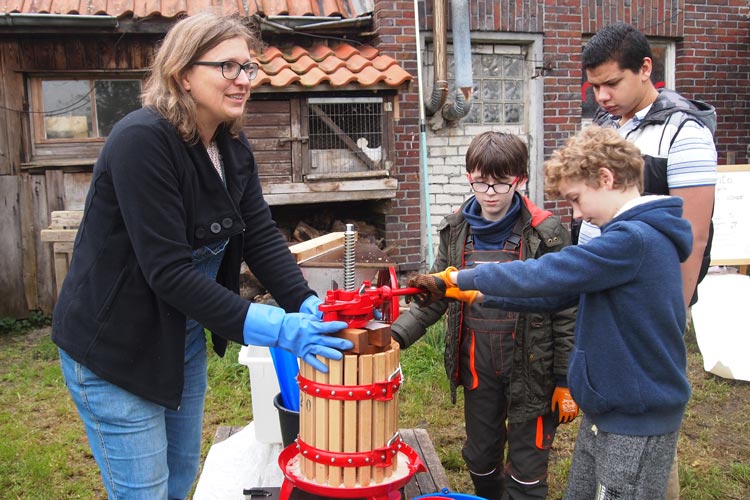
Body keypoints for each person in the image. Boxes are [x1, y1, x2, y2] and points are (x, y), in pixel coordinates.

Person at [51, 13, 352, 500]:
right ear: (182, 74)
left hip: (180, 336)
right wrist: (277, 329)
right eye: (227, 67)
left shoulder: (231, 145)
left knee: (179, 478)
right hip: (114, 347)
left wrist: (303, 302)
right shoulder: (141, 141)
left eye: (249, 68)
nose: (242, 81)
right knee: (144, 493)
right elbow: (169, 272)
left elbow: (259, 235)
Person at [412, 125, 693, 499]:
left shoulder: (632, 239)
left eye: (576, 199)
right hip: (610, 406)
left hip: (636, 413)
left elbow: (547, 274)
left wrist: (460, 277)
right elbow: (558, 297)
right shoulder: (626, 238)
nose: (576, 213)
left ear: (606, 179)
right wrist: (476, 297)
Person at [392, 131, 578, 500]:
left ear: (519, 180)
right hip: (478, 366)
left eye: (501, 183)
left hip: (533, 370)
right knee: (480, 460)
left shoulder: (546, 234)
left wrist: (564, 379)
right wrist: (395, 337)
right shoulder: (456, 229)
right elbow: (435, 293)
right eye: (481, 182)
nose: (490, 192)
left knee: (526, 472)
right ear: (468, 178)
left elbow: (566, 308)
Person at [581, 22, 717, 498]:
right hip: (602, 293)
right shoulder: (606, 124)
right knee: (613, 410)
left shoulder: (686, 132)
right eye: (594, 85)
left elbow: (693, 237)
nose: (601, 95)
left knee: (649, 426)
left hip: (647, 304)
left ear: (645, 69)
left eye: (611, 83)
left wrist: (668, 316)